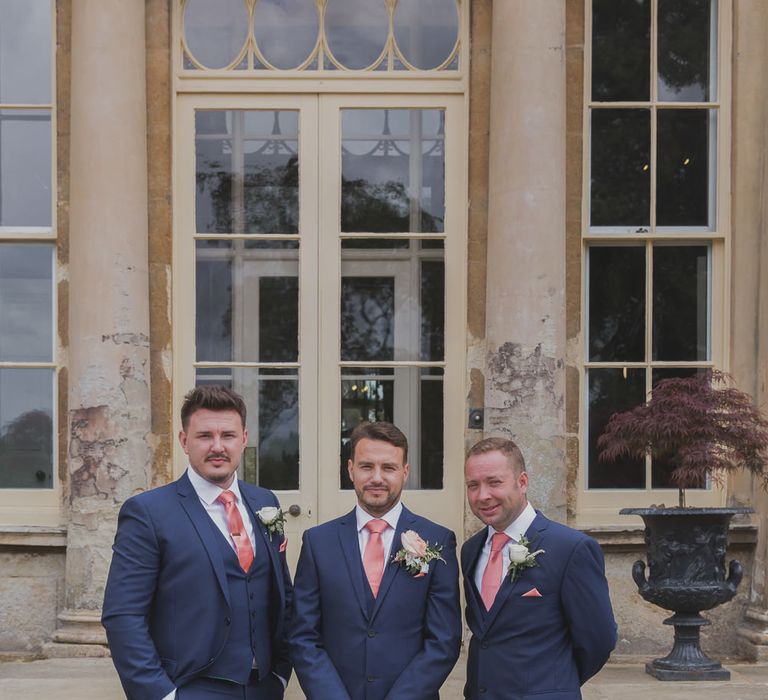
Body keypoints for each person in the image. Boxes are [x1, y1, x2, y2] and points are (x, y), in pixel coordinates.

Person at [102, 385, 292, 700]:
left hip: (263, 688)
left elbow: (282, 593)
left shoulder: (264, 501)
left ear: (243, 440)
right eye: (205, 436)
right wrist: (161, 694)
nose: (217, 447)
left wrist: (281, 674)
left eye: (228, 436)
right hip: (190, 687)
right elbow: (123, 615)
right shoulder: (148, 513)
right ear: (184, 441)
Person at [289, 421, 462, 699]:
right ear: (351, 470)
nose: (377, 478)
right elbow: (303, 637)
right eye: (367, 466)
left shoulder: (438, 540)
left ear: (405, 472)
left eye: (389, 468)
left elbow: (444, 641)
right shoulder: (318, 542)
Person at [462, 437, 617, 700]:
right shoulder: (471, 550)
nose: (482, 496)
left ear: (522, 482)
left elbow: (598, 640)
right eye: (473, 486)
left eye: (494, 482)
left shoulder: (572, 548)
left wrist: (554, 684)